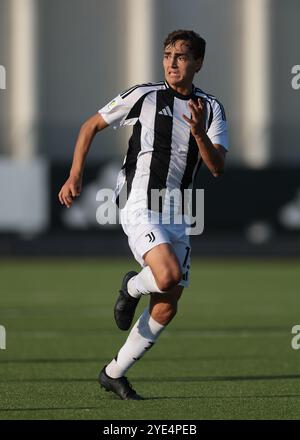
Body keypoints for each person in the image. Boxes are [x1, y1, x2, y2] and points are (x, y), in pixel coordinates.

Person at [58, 29, 229, 400]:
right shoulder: (144, 95)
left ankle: (113, 372)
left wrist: (199, 133)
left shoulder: (211, 108)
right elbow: (90, 126)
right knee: (165, 276)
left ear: (198, 63)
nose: (172, 62)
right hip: (139, 201)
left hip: (179, 211)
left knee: (167, 306)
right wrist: (75, 174)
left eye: (181, 56)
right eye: (168, 54)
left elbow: (216, 167)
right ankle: (132, 285)